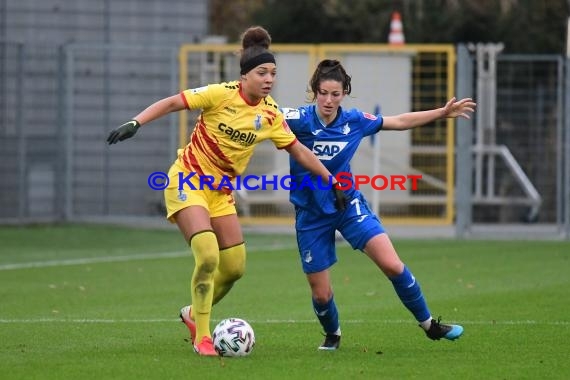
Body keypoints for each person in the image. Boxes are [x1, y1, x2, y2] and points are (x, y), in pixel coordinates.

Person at [106, 28, 346, 356]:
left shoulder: (271, 114)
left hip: (220, 193)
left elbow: (299, 151)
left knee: (234, 267)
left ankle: (192, 313)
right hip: (187, 181)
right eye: (262, 73)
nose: (268, 79)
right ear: (244, 76)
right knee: (207, 256)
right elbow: (175, 101)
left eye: (273, 74)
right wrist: (136, 122)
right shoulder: (220, 94)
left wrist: (330, 180)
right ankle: (202, 337)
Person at [281, 59, 476, 350]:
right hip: (311, 214)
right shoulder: (296, 119)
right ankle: (333, 334)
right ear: (314, 92)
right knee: (321, 294)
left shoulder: (354, 121)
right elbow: (257, 115)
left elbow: (397, 121)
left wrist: (442, 113)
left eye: (336, 94)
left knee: (393, 265)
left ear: (344, 93)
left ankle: (430, 325)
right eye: (323, 93)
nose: (329, 100)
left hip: (347, 206)